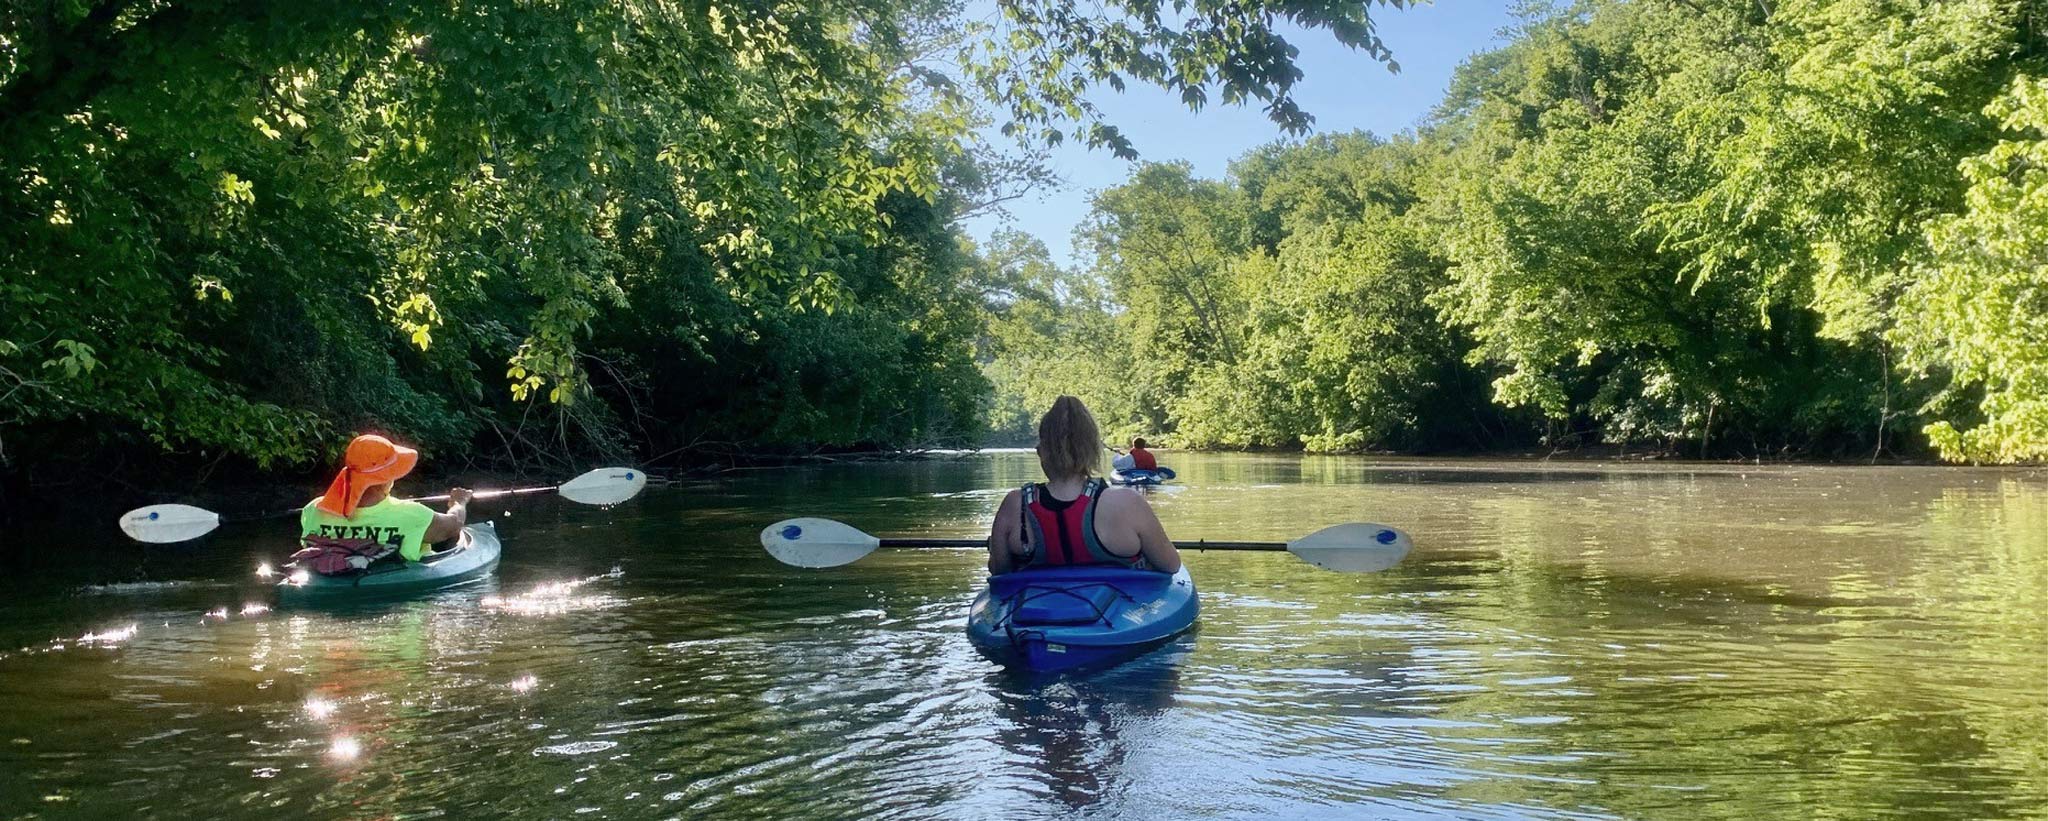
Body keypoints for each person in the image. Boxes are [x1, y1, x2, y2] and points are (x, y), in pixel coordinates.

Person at [988, 397, 1182, 574]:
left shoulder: (1015, 504)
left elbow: (998, 570)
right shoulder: (1127, 502)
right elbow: (1171, 564)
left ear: (1041, 452)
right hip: (1114, 608)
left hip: (1034, 606)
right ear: (1092, 449)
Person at [299, 433, 472, 563]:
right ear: (384, 480)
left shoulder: (314, 509)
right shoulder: (411, 515)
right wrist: (459, 501)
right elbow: (454, 526)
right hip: (402, 599)